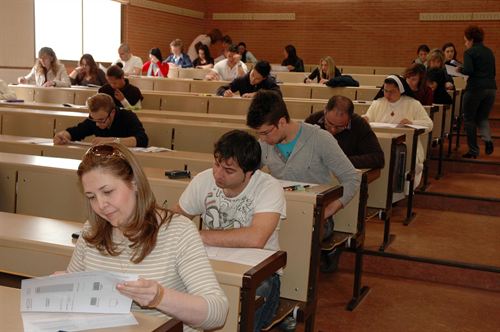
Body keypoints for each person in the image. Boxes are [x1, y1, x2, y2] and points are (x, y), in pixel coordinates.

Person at [66, 143, 228, 332]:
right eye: (91, 197)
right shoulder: (91, 230)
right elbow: (73, 290)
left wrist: (160, 297)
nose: (100, 205)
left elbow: (217, 313)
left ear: (134, 183)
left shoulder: (178, 231)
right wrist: (65, 289)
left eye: (108, 192)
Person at [174, 130, 286, 332]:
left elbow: (256, 238)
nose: (218, 174)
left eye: (228, 170)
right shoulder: (203, 180)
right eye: (216, 164)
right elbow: (175, 219)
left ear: (249, 172)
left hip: (260, 275)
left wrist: (197, 235)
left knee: (251, 299)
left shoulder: (269, 187)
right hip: (210, 264)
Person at [247, 90, 360, 220]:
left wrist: (327, 212)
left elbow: (352, 179)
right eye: (259, 133)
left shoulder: (320, 139)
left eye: (265, 133)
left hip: (313, 217)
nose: (262, 139)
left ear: (282, 122)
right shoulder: (264, 143)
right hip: (278, 212)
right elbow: (249, 173)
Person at [363, 75, 433, 188]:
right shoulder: (378, 103)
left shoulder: (413, 104)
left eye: (392, 92)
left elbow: (429, 124)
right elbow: (368, 117)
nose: (387, 95)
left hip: (404, 145)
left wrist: (411, 123)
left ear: (401, 90)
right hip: (380, 144)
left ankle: (398, 190)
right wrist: (364, 119)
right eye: (385, 91)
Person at [305, 95, 384, 169]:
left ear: (350, 118)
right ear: (325, 111)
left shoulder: (359, 124)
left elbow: (378, 158)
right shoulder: (313, 121)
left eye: (340, 126)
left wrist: (341, 161)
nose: (333, 130)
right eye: (329, 123)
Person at [53, 93, 148, 147]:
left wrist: (113, 141)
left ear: (112, 113)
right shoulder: (94, 119)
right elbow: (76, 131)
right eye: (94, 120)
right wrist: (63, 135)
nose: (97, 124)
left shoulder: (128, 117)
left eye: (101, 120)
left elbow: (143, 140)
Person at [459, 25, 496, 158]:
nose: (465, 43)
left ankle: (473, 151)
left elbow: (468, 70)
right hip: (491, 89)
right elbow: (493, 72)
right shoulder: (489, 52)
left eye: (465, 40)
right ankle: (488, 140)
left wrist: (459, 70)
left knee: (469, 119)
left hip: (475, 89)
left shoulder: (469, 52)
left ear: (471, 40)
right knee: (482, 117)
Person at [217, 60, 281, 98]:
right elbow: (220, 89)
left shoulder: (269, 81)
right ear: (252, 69)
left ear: (264, 78)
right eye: (252, 75)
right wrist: (225, 93)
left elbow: (278, 94)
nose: (252, 80)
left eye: (257, 79)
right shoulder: (242, 80)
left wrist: (257, 94)